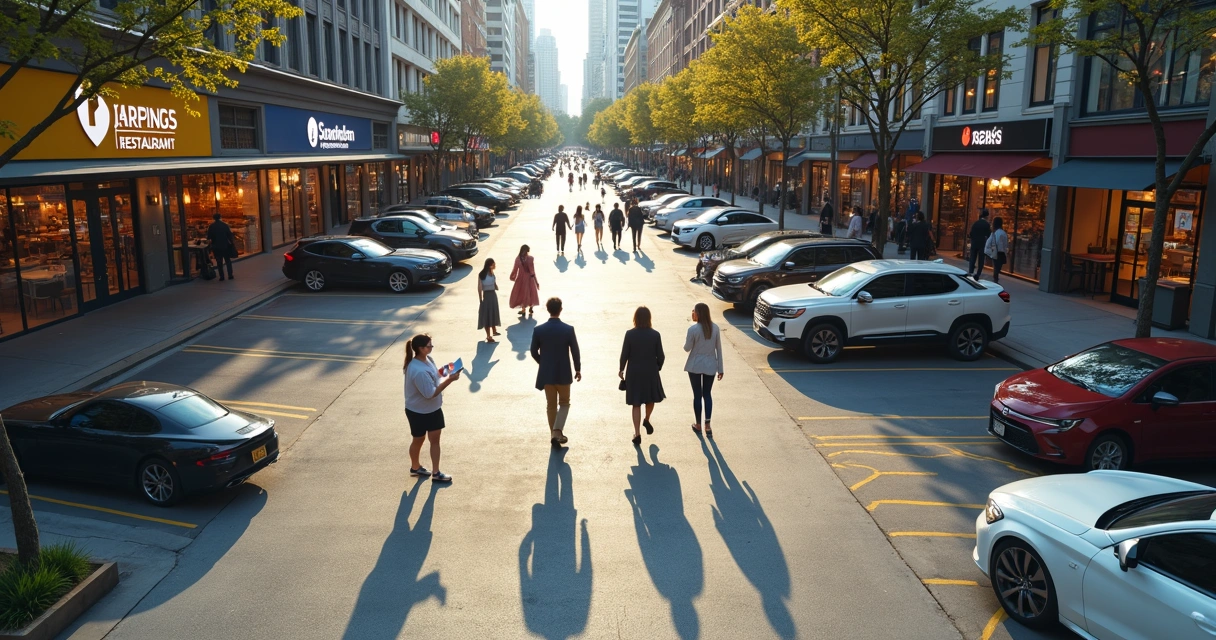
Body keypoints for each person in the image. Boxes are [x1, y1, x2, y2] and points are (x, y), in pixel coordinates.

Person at [403, 334, 459, 483]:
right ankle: (418, 468)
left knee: (429, 440)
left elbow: (435, 375)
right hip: (421, 411)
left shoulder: (427, 360)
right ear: (420, 349)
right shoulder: (418, 371)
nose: (431, 347)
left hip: (427, 409)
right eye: (429, 346)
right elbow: (430, 393)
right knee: (420, 440)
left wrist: (448, 369)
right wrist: (450, 380)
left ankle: (429, 471)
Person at [530, 297, 582, 448]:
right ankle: (557, 432)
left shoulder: (539, 330)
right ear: (561, 309)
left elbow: (533, 351)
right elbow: (575, 351)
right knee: (564, 403)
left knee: (551, 405)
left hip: (547, 375)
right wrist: (577, 369)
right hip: (564, 374)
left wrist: (543, 363)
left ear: (548, 309)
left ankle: (553, 435)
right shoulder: (568, 329)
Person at [620, 306, 665, 446]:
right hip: (650, 371)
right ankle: (647, 419)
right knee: (650, 398)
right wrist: (657, 367)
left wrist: (621, 369)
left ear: (636, 318)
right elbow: (661, 356)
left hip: (634, 372)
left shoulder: (629, 334)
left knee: (636, 402)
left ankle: (637, 433)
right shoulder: (655, 335)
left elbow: (624, 355)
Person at [684, 302, 723, 438]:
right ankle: (708, 425)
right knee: (707, 394)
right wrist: (721, 369)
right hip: (711, 365)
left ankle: (698, 424)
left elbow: (687, 348)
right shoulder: (715, 328)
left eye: (693, 311)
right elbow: (719, 349)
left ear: (698, 314)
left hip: (694, 365)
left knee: (697, 395)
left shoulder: (693, 330)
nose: (692, 313)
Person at [510, 244, 540, 317]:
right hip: (530, 278)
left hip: (521, 278)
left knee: (522, 293)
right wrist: (536, 282)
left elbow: (515, 269)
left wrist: (513, 277)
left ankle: (523, 309)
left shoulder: (518, 259)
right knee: (531, 292)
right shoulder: (530, 259)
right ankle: (531, 307)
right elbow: (532, 271)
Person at [477, 258, 502, 342]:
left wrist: (496, 286)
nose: (495, 266)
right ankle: (488, 336)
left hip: (492, 295)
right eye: (494, 264)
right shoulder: (482, 274)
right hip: (488, 296)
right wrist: (480, 299)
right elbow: (479, 288)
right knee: (487, 315)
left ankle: (494, 331)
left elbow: (493, 283)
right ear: (490, 265)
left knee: (493, 313)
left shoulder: (490, 273)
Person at [206, 213, 237, 281]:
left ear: (213, 218)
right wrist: (231, 243)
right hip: (225, 245)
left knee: (219, 262)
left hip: (216, 246)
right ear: (220, 217)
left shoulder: (211, 226)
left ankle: (221, 276)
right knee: (227, 260)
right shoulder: (225, 225)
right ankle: (230, 275)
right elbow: (229, 235)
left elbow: (209, 237)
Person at [968, 209, 992, 278]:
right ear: (987, 216)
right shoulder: (987, 225)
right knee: (981, 259)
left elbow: (971, 233)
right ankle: (978, 273)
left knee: (973, 257)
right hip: (982, 244)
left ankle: (970, 271)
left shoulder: (976, 223)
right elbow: (989, 235)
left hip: (974, 243)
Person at [984, 216, 1009, 283]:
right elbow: (1005, 244)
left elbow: (994, 243)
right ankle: (996, 280)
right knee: (997, 268)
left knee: (996, 267)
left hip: (996, 252)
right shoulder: (1003, 233)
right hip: (1001, 252)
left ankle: (995, 280)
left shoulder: (995, 233)